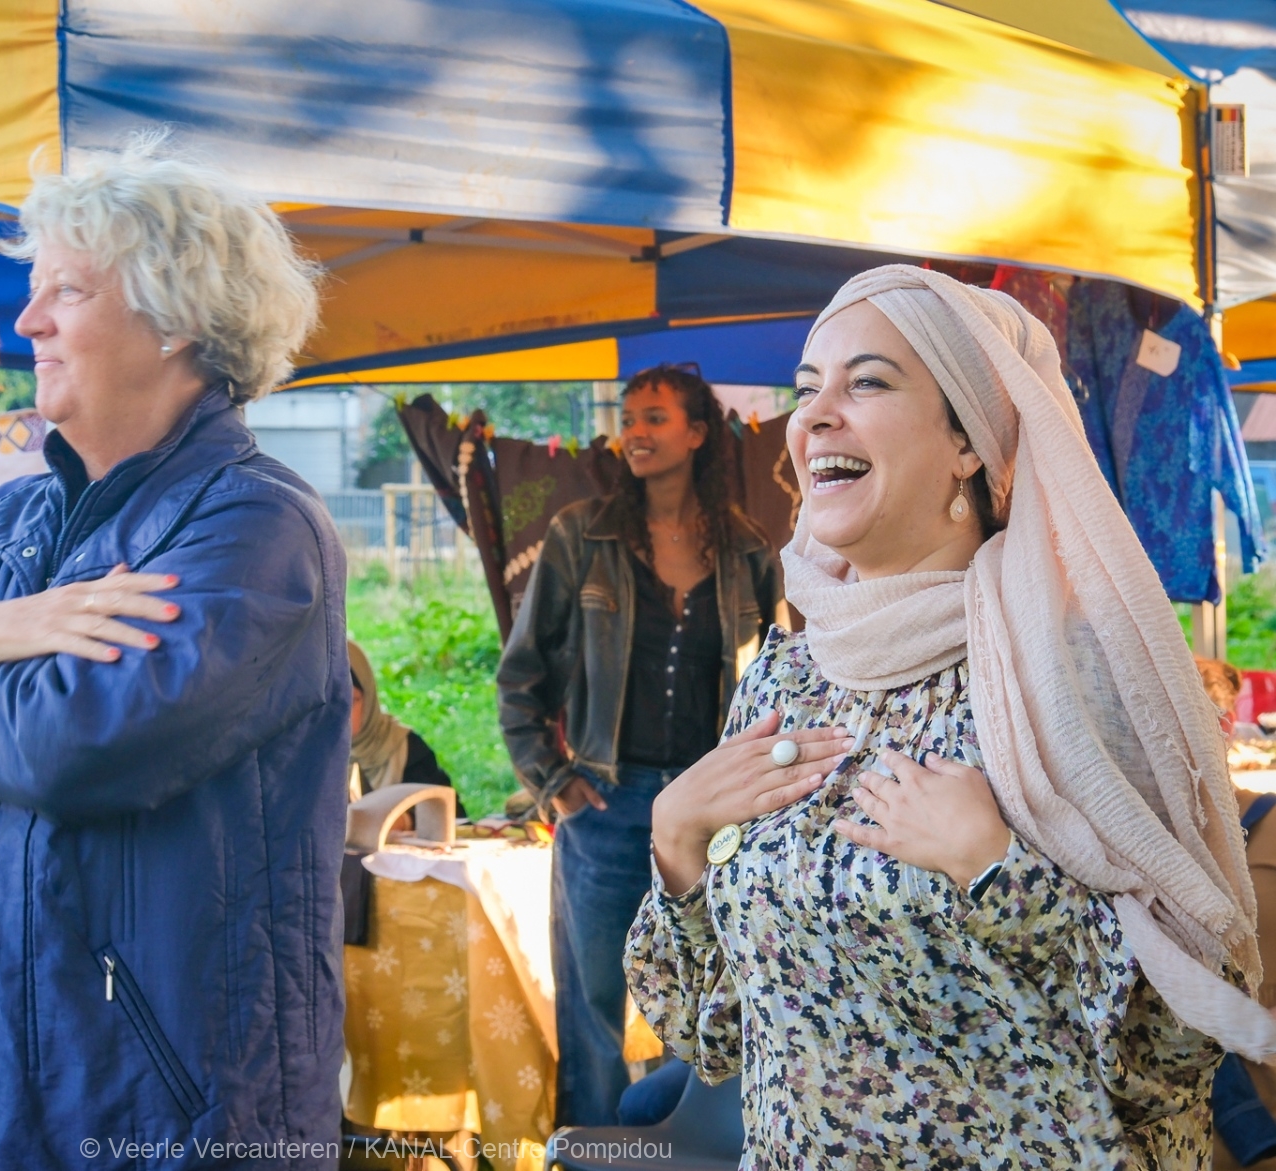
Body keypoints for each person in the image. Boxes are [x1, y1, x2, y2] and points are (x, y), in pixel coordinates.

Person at [627, 264, 1276, 1167]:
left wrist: (999, 870)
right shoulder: (787, 677)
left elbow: (1179, 1052)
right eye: (808, 390)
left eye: (867, 383)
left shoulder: (1075, 675)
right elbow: (714, 1036)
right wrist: (676, 843)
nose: (814, 417)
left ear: (967, 441)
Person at [0, 137, 347, 1171]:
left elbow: (71, 746)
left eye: (67, 291)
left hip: (158, 1117)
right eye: (34, 291)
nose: (27, 324)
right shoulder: (17, 519)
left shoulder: (253, 526)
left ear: (178, 319)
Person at [496, 364, 781, 1126]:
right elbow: (521, 677)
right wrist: (553, 780)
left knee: (702, 999)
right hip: (604, 803)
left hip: (712, 817)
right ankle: (593, 1154)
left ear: (698, 433)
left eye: (655, 417)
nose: (635, 432)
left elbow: (777, 682)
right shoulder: (580, 536)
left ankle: (677, 1150)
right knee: (593, 1002)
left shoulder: (747, 549)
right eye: (628, 418)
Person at [347, 641, 456, 800]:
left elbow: (446, 809)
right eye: (328, 705)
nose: (338, 716)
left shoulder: (406, 751)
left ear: (369, 699)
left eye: (350, 702)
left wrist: (404, 815)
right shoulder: (313, 755)